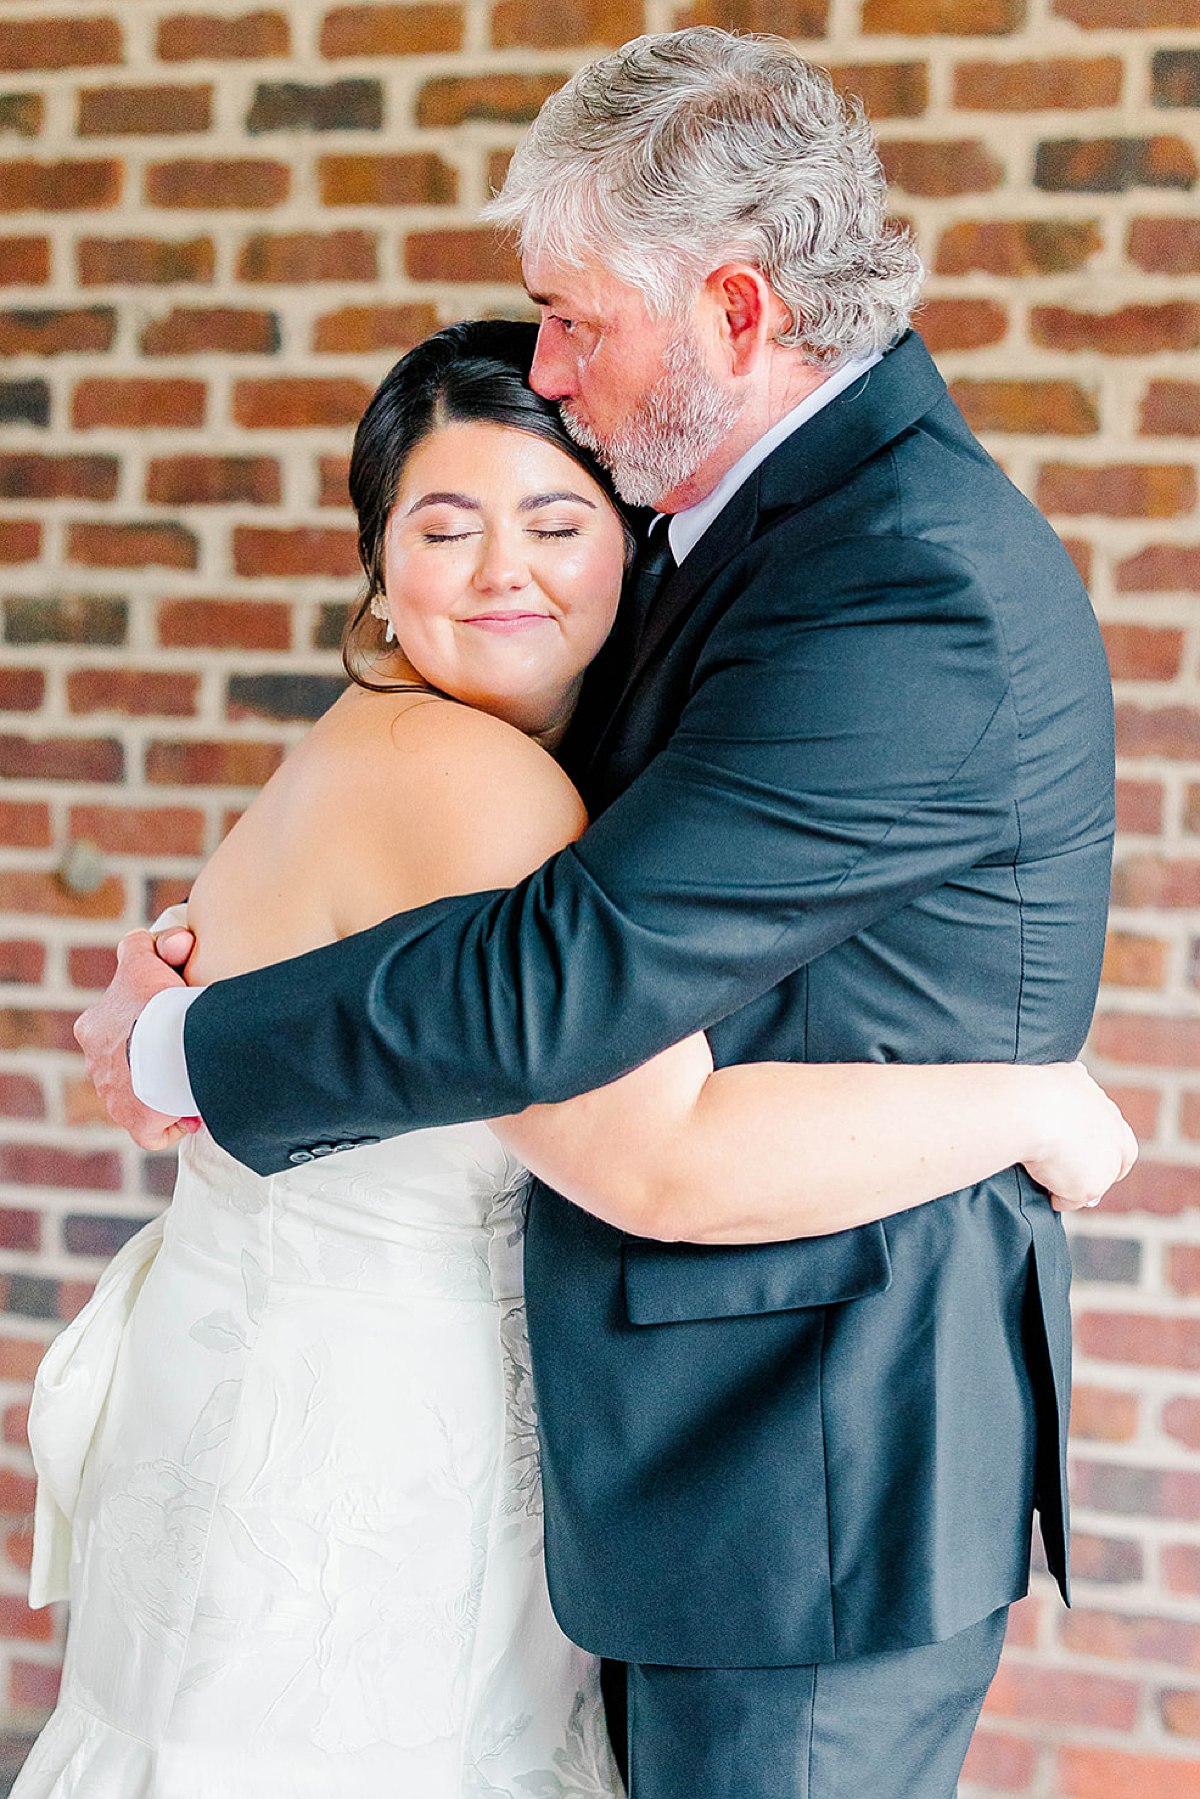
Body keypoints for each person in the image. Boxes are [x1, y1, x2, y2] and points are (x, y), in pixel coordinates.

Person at [74, 31, 1123, 1799]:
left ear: (731, 305)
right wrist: (230, 935)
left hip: (804, 1462)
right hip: (664, 1450)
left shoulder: (898, 585)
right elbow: (493, 841)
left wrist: (190, 1045)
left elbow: (570, 970)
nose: (548, 371)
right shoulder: (729, 526)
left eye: (574, 317)